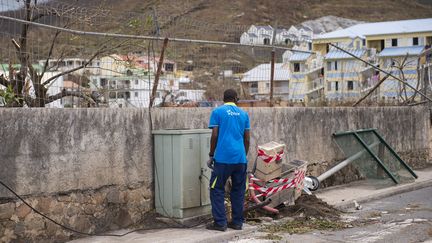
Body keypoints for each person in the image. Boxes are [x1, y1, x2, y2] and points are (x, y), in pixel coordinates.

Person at [206, 89, 250, 231]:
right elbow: (247, 138)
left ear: (224, 99)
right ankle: (237, 223)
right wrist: (244, 155)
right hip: (240, 159)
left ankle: (220, 223)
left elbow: (214, 135)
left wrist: (211, 154)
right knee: (238, 190)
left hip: (223, 159)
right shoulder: (244, 114)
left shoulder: (218, 112)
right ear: (236, 99)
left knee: (216, 188)